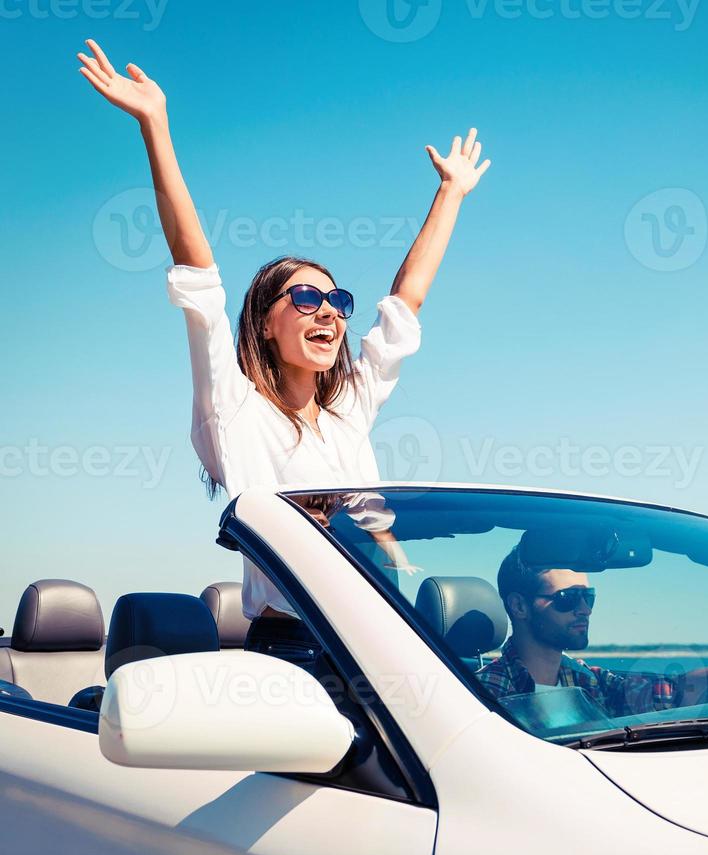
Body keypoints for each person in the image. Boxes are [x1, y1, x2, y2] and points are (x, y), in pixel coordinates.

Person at [77, 39, 491, 643]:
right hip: (293, 644)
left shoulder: (347, 411)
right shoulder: (235, 410)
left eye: (337, 302)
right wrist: (155, 125)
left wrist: (450, 193)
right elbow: (198, 275)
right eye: (304, 299)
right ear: (266, 322)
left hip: (381, 633)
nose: (327, 312)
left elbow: (405, 304)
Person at [477, 545, 708, 715]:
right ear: (519, 606)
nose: (584, 608)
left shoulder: (586, 681)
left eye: (589, 596)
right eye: (568, 598)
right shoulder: (487, 692)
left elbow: (671, 691)